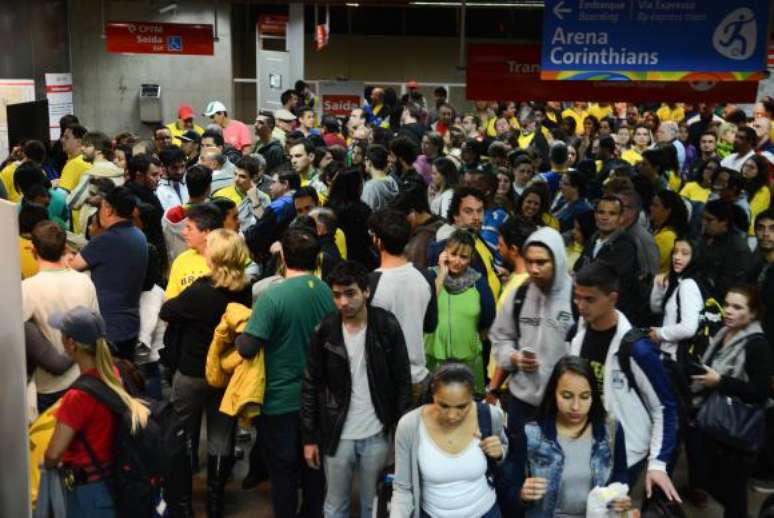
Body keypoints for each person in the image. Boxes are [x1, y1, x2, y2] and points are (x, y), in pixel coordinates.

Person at [236, 228, 337, 518]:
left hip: (279, 400)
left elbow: (247, 348)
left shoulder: (272, 297)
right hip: (318, 400)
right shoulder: (326, 292)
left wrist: (240, 332)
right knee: (314, 471)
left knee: (283, 473)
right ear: (317, 257)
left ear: (281, 256)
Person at [301, 261, 412, 518]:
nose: (343, 302)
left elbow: (402, 379)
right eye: (337, 295)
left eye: (350, 293)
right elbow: (310, 384)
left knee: (373, 506)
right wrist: (309, 437)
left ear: (366, 292)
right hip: (337, 435)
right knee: (334, 506)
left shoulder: (386, 325)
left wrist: (402, 432)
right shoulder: (325, 330)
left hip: (377, 432)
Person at [159, 229, 252, 516]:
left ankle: (183, 501)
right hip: (226, 372)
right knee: (222, 435)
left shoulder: (199, 292)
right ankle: (215, 501)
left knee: (181, 434)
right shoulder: (244, 289)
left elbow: (168, 311)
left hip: (191, 372)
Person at [570, 262, 680, 500]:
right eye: (577, 298)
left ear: (612, 298)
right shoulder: (577, 338)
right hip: (587, 449)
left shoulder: (637, 350)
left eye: (589, 299)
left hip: (628, 455)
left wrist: (658, 464)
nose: (581, 306)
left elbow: (664, 407)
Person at [44, 306, 150, 517]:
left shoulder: (77, 396)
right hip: (117, 483)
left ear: (72, 344)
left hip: (88, 495)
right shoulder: (118, 374)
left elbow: (53, 454)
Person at [691, 285, 772, 518]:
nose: (728, 311)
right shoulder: (722, 333)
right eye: (727, 304)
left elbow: (759, 393)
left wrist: (720, 381)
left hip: (738, 433)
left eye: (737, 307)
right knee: (717, 485)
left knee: (735, 498)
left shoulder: (757, 345)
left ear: (753, 313)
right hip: (715, 425)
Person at [515, 356, 631, 517]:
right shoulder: (531, 434)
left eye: (584, 397)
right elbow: (510, 484)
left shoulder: (611, 430)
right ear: (553, 393)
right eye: (567, 396)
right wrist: (521, 493)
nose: (576, 407)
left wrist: (619, 495)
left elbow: (620, 472)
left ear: (593, 396)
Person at [390, 362, 508, 518]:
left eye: (462, 407)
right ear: (433, 396)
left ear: (472, 397)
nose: (452, 415)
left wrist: (500, 453)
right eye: (444, 406)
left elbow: (506, 453)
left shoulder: (490, 416)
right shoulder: (410, 426)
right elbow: (403, 488)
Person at [491, 227, 574, 434]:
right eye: (530, 262)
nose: (534, 269)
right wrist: (513, 357)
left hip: (564, 405)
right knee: (518, 461)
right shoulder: (519, 293)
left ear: (557, 260)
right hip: (521, 400)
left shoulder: (577, 297)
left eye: (542, 262)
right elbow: (501, 337)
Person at [23, 221, 99, 413]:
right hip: (83, 378)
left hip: (48, 386)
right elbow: (95, 328)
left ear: (33, 251)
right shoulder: (84, 281)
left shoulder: (26, 289)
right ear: (65, 247)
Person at [69, 186, 148, 360]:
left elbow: (72, 265)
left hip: (109, 327)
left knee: (107, 382)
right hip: (131, 324)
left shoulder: (106, 240)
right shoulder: (139, 236)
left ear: (108, 209)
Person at [369, 209, 437, 404]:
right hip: (418, 378)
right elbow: (431, 324)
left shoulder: (371, 283)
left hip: (385, 382)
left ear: (378, 240)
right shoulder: (425, 276)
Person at [426, 230, 495, 394]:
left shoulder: (479, 283)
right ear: (444, 253)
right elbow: (427, 306)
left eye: (463, 257)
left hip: (468, 364)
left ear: (471, 259)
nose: (457, 261)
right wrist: (442, 273)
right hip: (433, 361)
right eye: (453, 254)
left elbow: (488, 323)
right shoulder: (430, 276)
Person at [574, 195, 645, 325]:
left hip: (616, 317)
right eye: (601, 212)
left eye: (612, 213)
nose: (605, 217)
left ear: (621, 218)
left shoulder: (625, 245)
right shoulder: (593, 239)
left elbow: (601, 279)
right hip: (591, 313)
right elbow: (578, 268)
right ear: (595, 215)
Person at [649, 237, 704, 360]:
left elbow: (688, 328)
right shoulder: (679, 281)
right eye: (675, 252)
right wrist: (658, 287)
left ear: (695, 257)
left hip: (677, 357)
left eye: (685, 253)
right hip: (670, 354)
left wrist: (659, 333)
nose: (677, 257)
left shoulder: (688, 285)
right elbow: (656, 309)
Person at [165, 202, 223, 300]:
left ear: (206, 233)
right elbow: (170, 301)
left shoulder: (226, 258)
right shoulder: (181, 261)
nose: (184, 232)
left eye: (189, 228)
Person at [699, 199, 753, 300]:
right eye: (703, 218)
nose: (704, 223)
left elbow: (731, 286)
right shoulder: (705, 237)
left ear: (724, 222)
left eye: (709, 220)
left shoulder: (738, 248)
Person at [326, 168, 377, 270]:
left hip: (335, 259)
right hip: (361, 260)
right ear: (357, 186)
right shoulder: (363, 210)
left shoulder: (329, 208)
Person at [649, 189, 689, 273]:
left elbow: (649, 266)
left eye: (655, 205)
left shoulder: (666, 237)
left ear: (667, 211)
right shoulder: (663, 232)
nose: (650, 208)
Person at [741, 154, 771, 239]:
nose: (746, 169)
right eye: (745, 165)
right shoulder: (738, 183)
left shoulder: (763, 190)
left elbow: (751, 214)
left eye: (751, 167)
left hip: (750, 233)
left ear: (760, 171)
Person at [361, 144, 399, 212]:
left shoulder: (371, 187)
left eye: (365, 159)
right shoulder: (392, 181)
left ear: (369, 162)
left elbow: (365, 214)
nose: (364, 163)